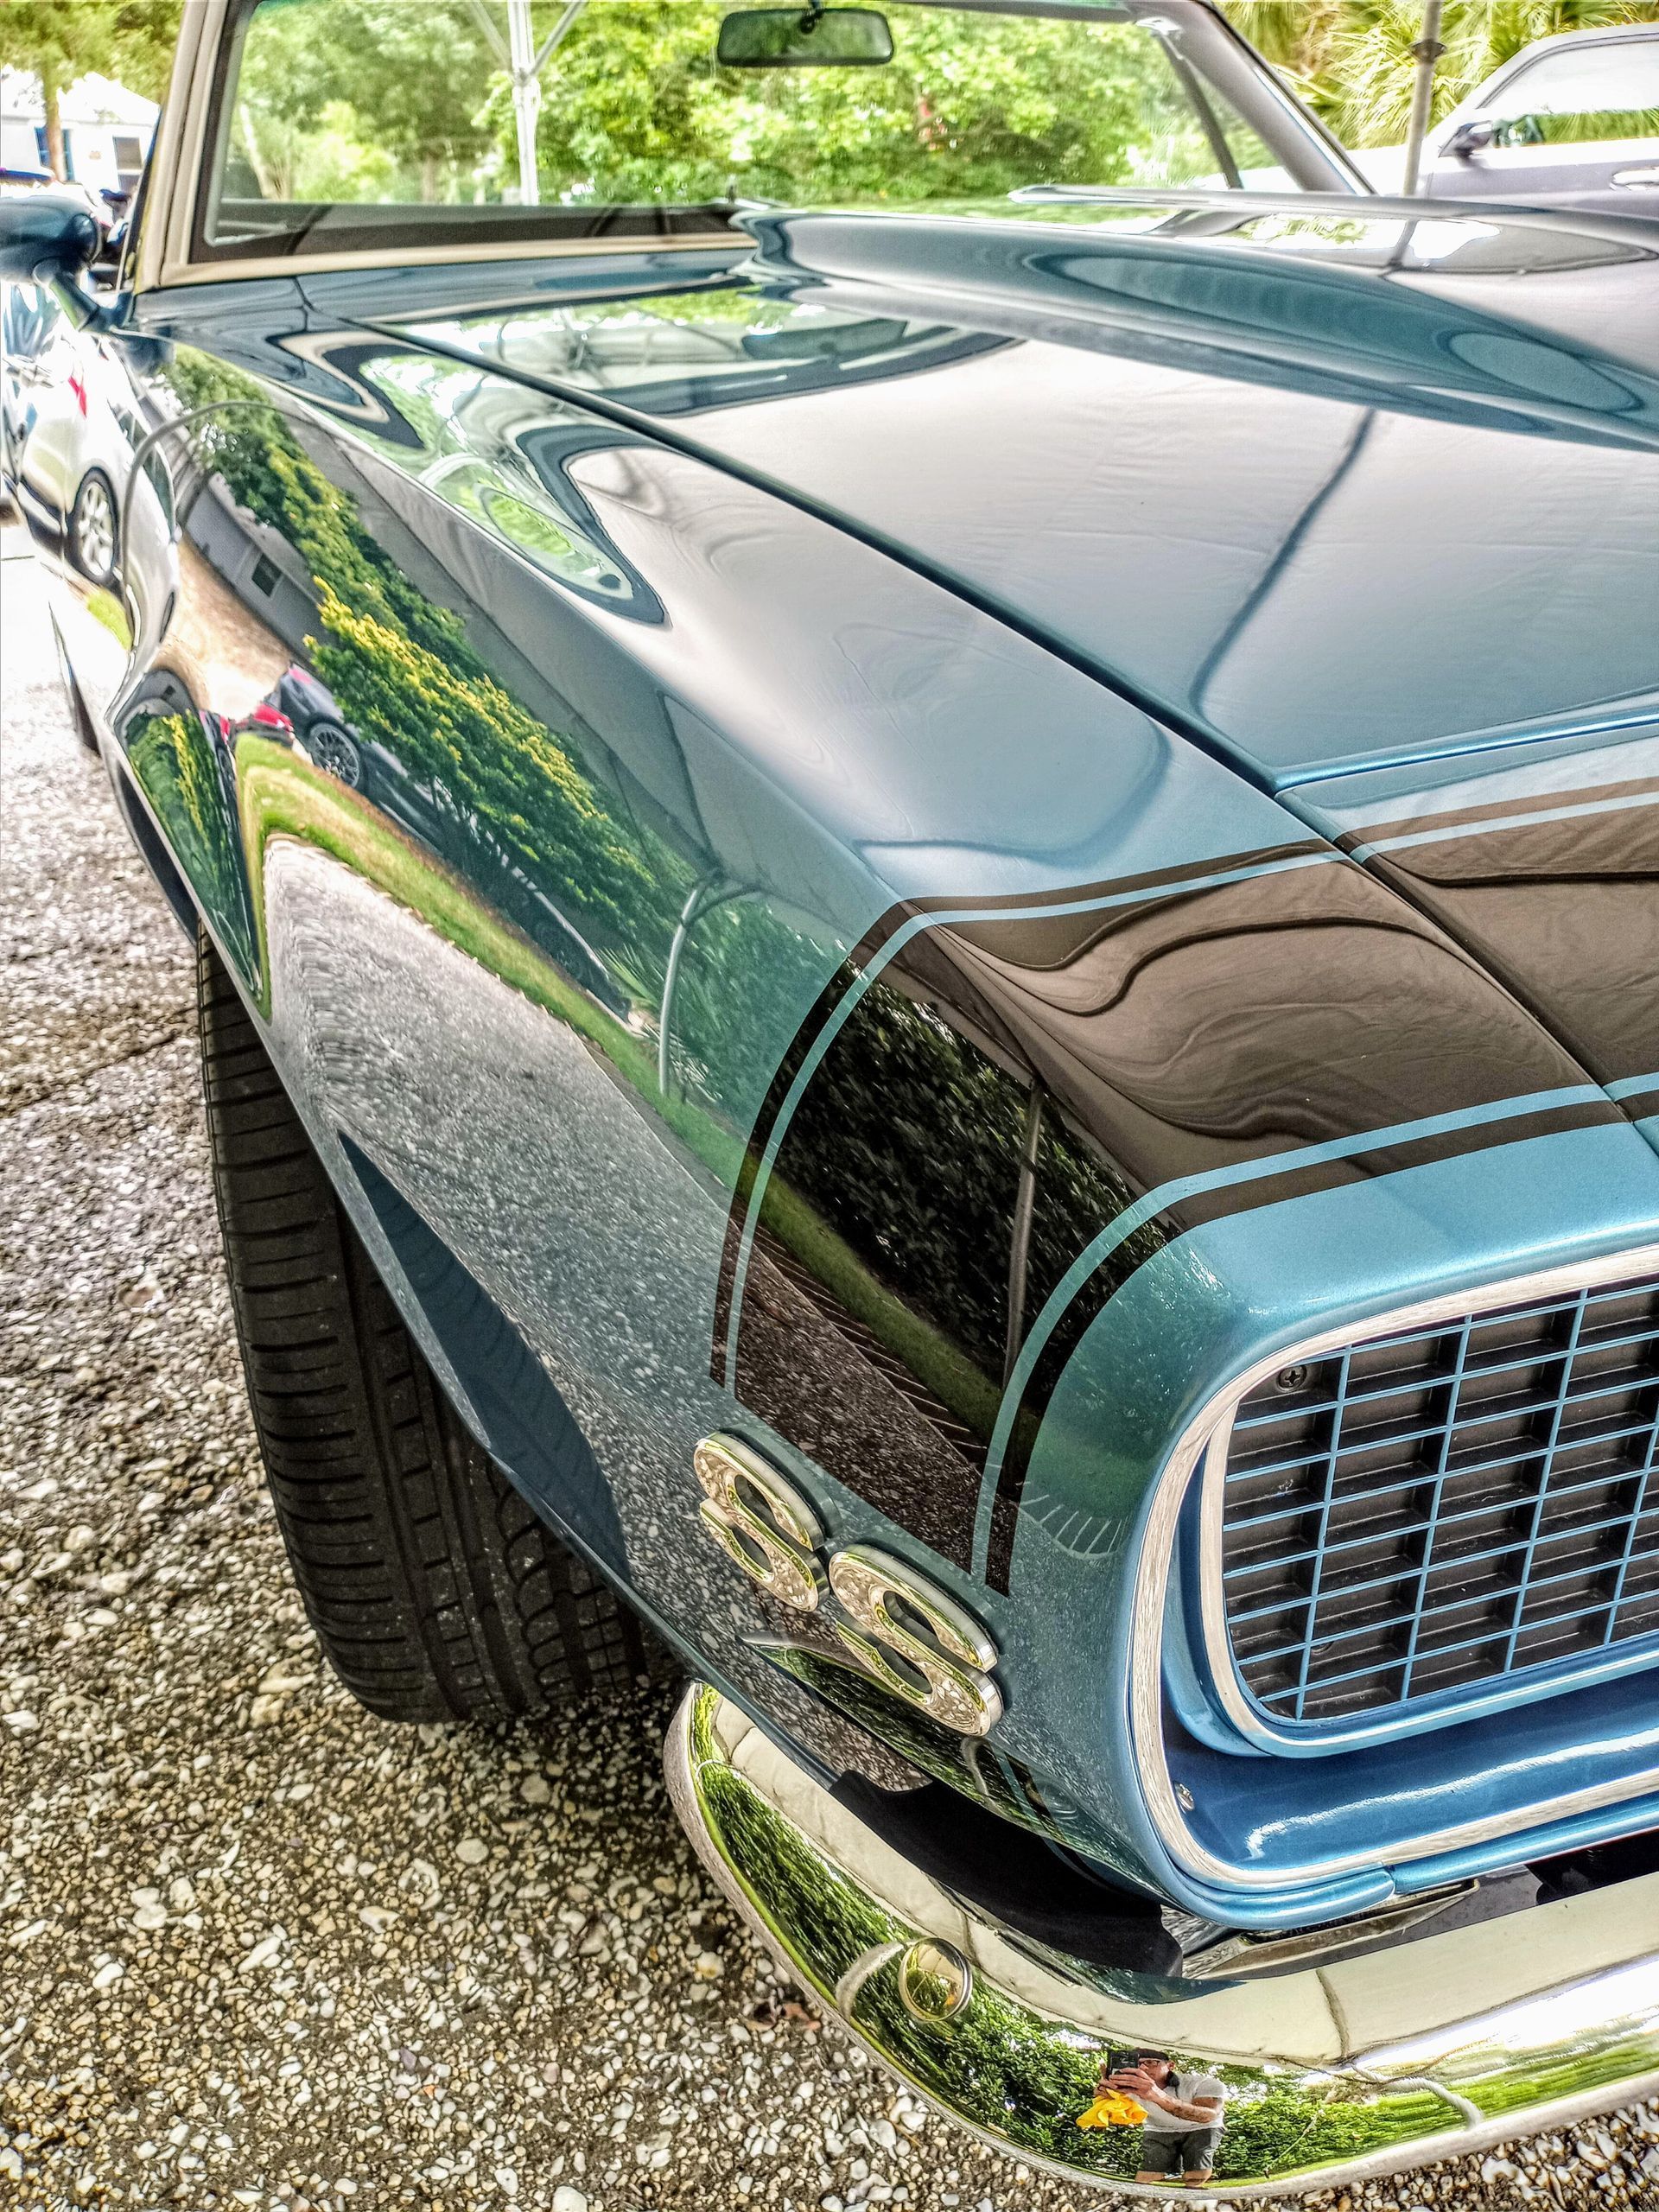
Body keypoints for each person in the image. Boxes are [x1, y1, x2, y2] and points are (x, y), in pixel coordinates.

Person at [1099, 2050, 1227, 2186]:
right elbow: (1117, 2115)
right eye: (1137, 2063)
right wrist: (1106, 2095)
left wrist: (1156, 2095)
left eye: (1151, 2062)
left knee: (1196, 2174)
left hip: (1202, 2128)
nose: (1143, 2068)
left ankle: (1190, 2199)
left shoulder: (1203, 2083)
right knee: (1146, 2176)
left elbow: (1208, 2115)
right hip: (1158, 2129)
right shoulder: (1128, 2086)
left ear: (1171, 2066)